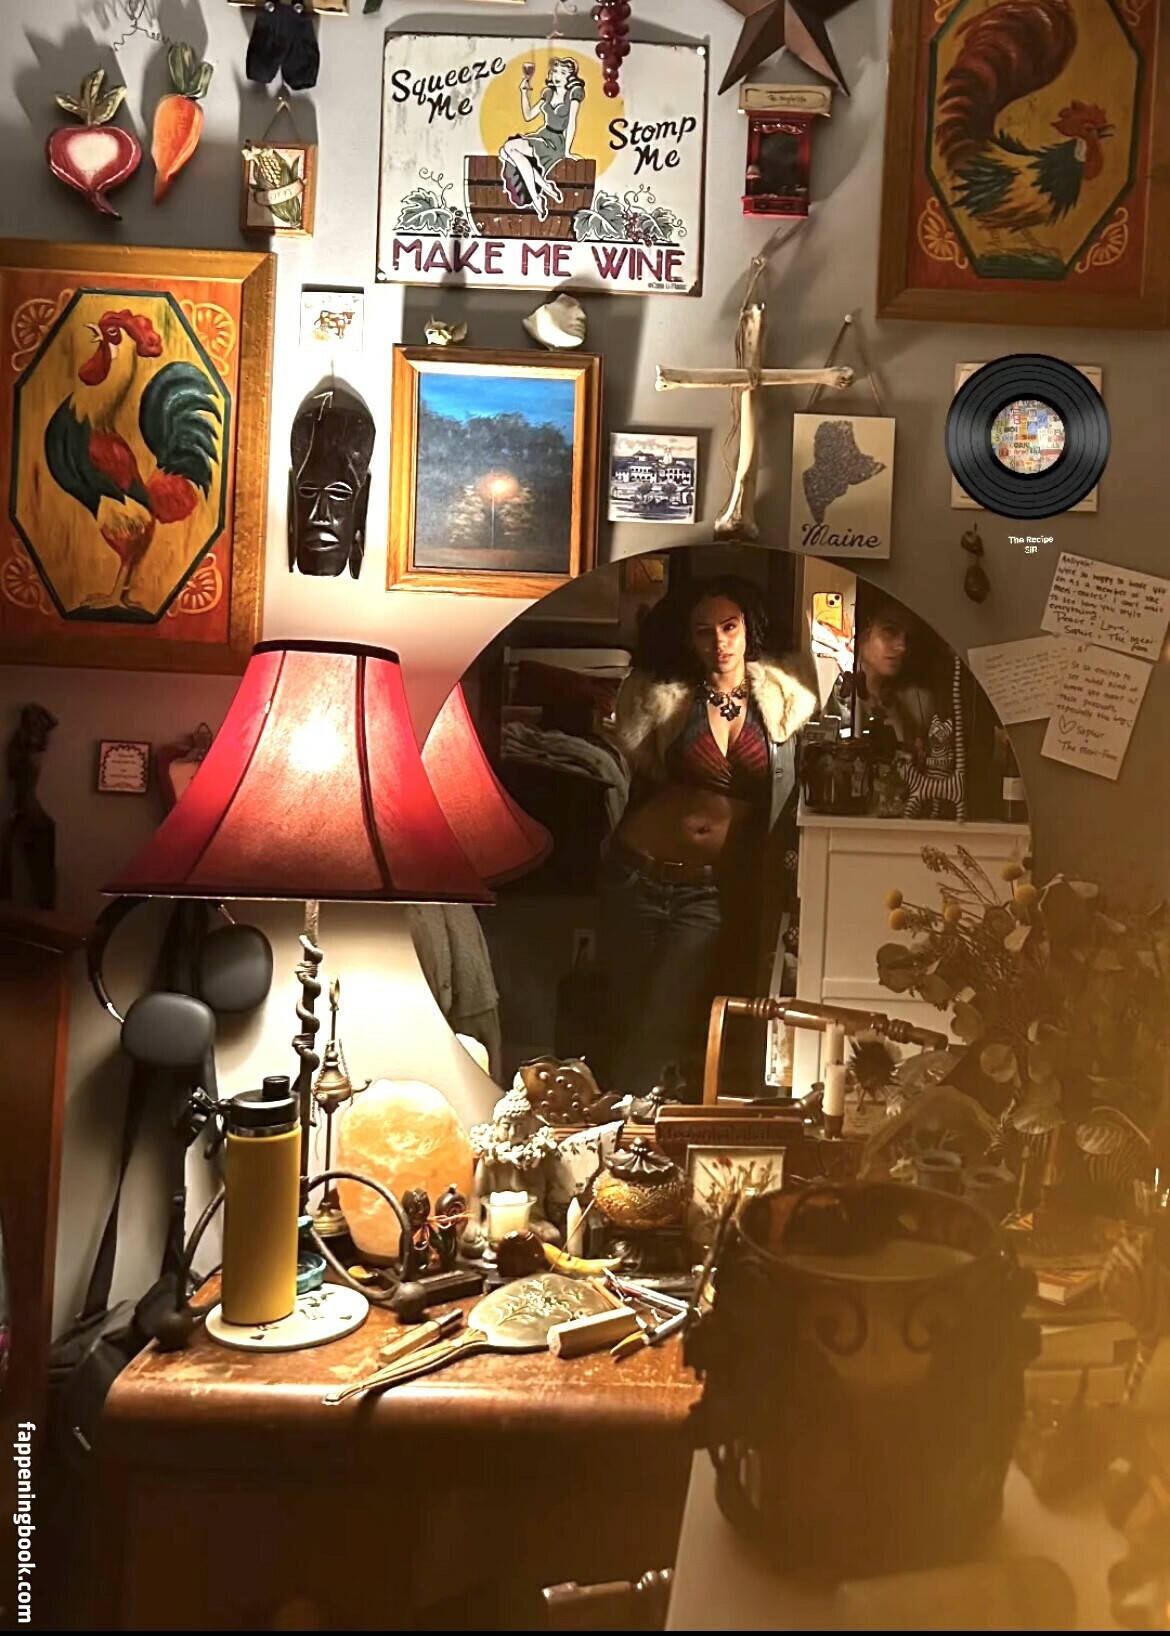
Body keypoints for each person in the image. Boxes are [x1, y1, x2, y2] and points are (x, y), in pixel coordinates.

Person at [598, 576, 818, 1102]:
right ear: (689, 639)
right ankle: (618, 1128)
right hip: (636, 872)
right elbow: (637, 767)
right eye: (704, 631)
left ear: (748, 630)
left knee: (665, 1015)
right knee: (623, 1014)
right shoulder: (668, 699)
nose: (719, 642)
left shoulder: (783, 700)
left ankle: (633, 1128)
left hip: (707, 890)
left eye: (729, 627)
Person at [816, 596, 935, 750]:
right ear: (863, 632)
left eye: (908, 637)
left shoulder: (917, 703)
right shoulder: (842, 693)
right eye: (890, 631)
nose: (902, 646)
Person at [499, 57, 586, 221]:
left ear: (571, 77)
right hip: (542, 135)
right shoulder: (548, 93)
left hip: (556, 142)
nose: (557, 75)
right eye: (555, 71)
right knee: (504, 152)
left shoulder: (574, 94)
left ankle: (538, 198)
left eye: (562, 72)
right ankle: (544, 187)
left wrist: (567, 152)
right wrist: (524, 93)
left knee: (509, 148)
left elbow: (571, 122)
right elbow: (528, 116)